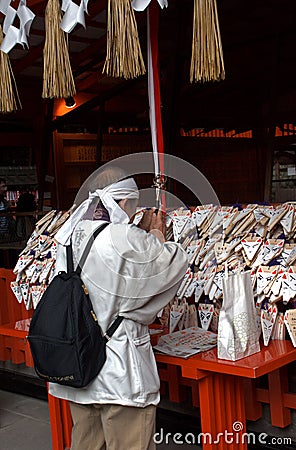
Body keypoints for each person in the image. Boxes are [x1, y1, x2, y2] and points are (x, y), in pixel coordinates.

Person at [49, 168, 188, 450]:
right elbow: (170, 265)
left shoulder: (68, 235)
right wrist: (156, 233)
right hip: (119, 370)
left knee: (86, 443)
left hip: (80, 366)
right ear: (123, 202)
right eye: (132, 205)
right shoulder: (123, 237)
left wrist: (139, 233)